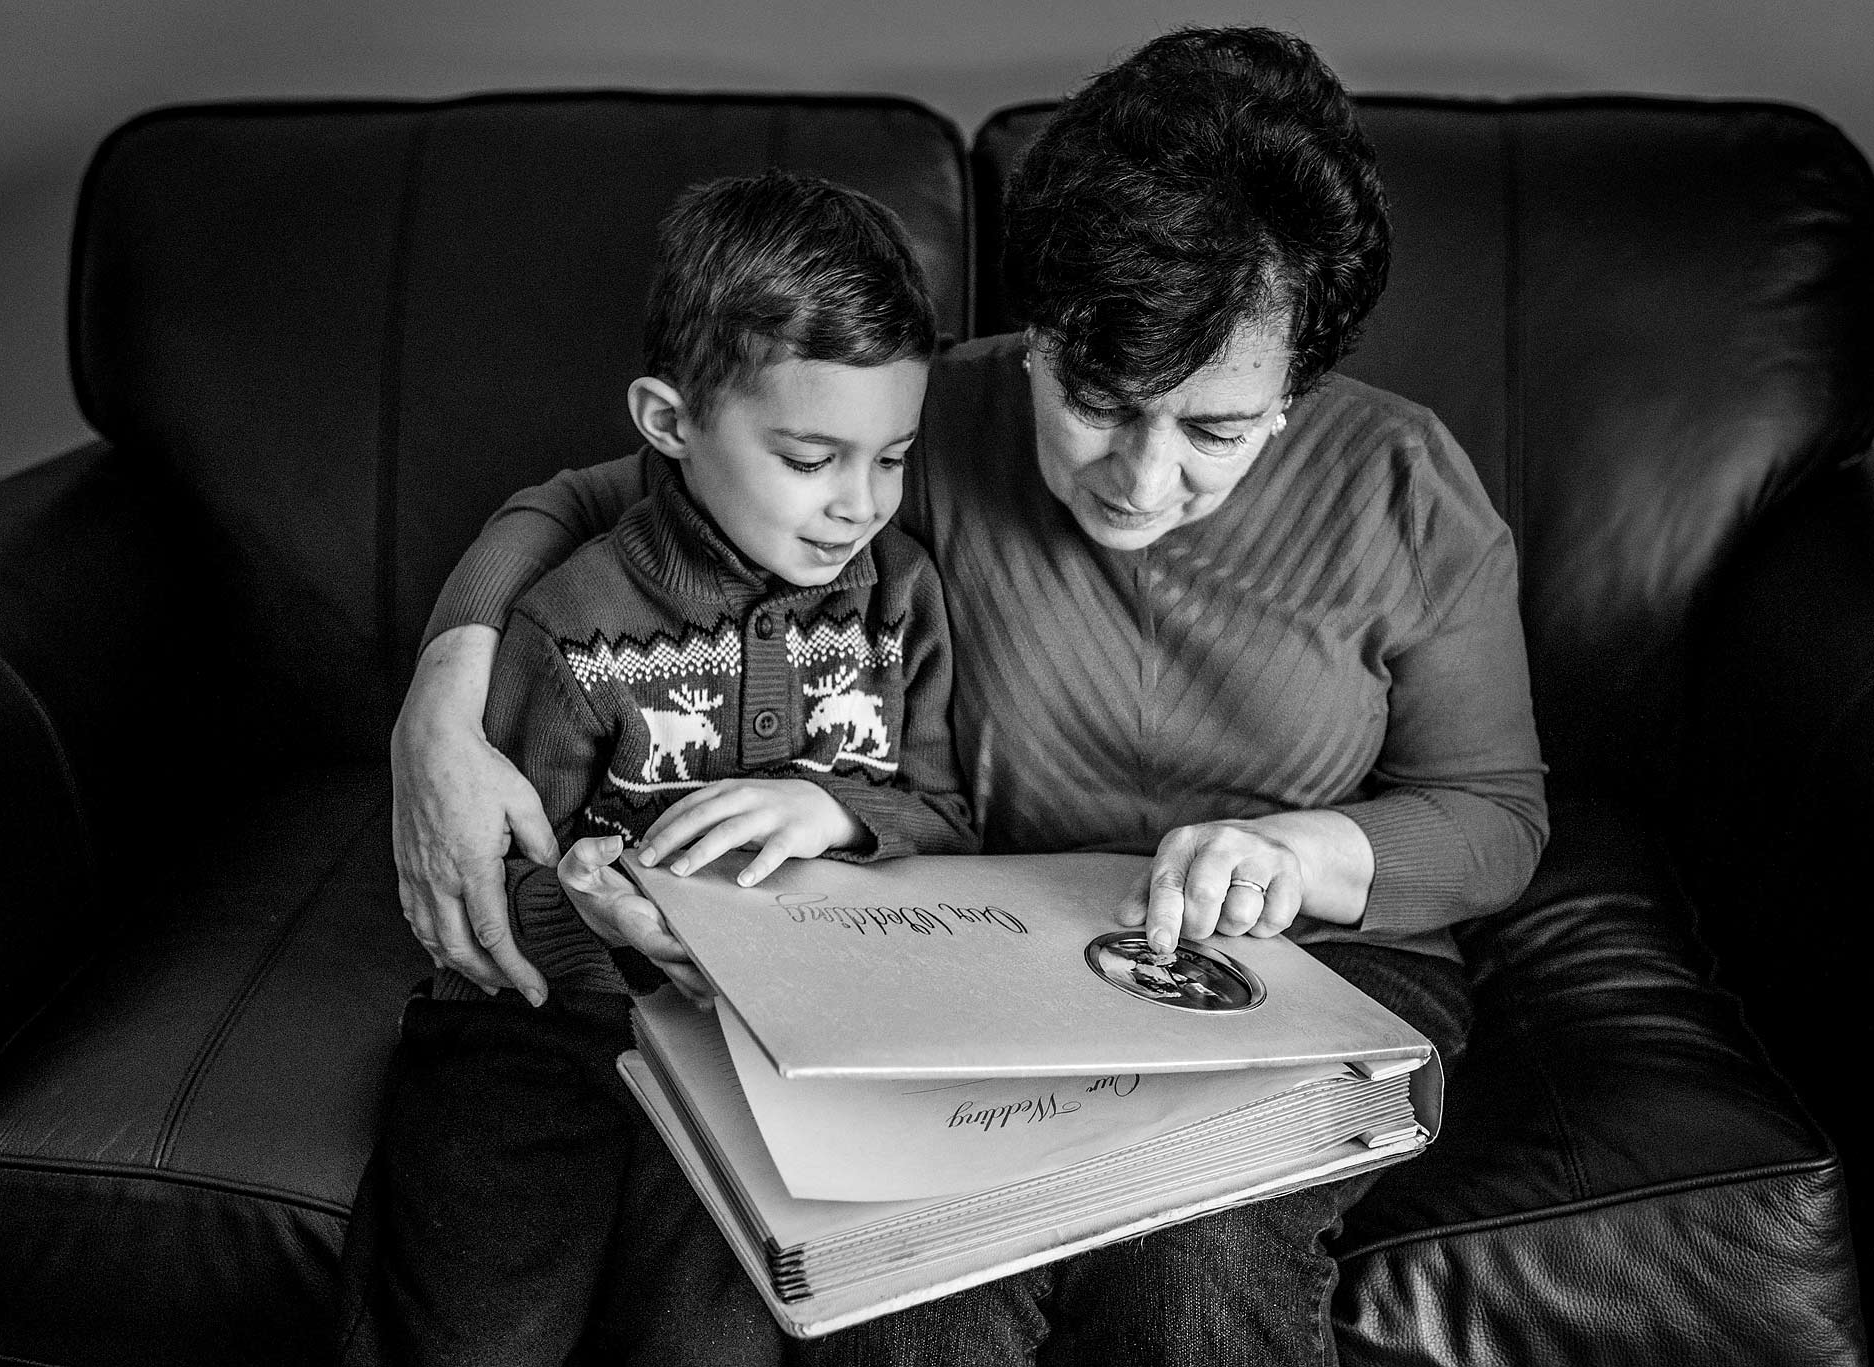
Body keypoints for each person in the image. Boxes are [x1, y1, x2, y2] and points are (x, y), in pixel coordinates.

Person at [372, 25, 1548, 1367]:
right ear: (1042, 338)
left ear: (1295, 394)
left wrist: (1305, 850)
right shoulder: (922, 433)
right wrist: (443, 698)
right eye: (1099, 401)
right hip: (978, 960)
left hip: (1300, 969)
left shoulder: (1404, 483)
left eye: (1217, 429)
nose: (1143, 480)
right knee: (914, 1276)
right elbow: (606, 498)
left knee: (1191, 1255)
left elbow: (1495, 812)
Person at [338, 169, 978, 1365]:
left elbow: (944, 814)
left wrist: (834, 816)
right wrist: (593, 911)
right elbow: (483, 899)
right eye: (808, 457)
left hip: (778, 1054)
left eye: (891, 457)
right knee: (474, 1327)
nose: (858, 505)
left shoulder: (903, 602)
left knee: (711, 1332)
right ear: (669, 421)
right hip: (548, 1032)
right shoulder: (569, 623)